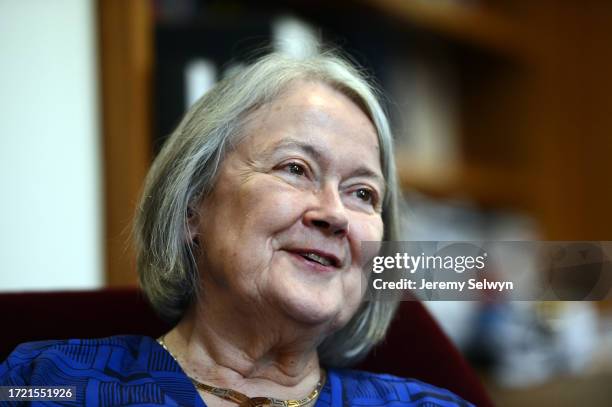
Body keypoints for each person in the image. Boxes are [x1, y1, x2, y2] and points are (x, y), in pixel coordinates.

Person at [0, 51, 472, 406]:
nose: (335, 213)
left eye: (363, 193)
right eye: (295, 168)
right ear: (191, 206)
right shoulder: (46, 382)